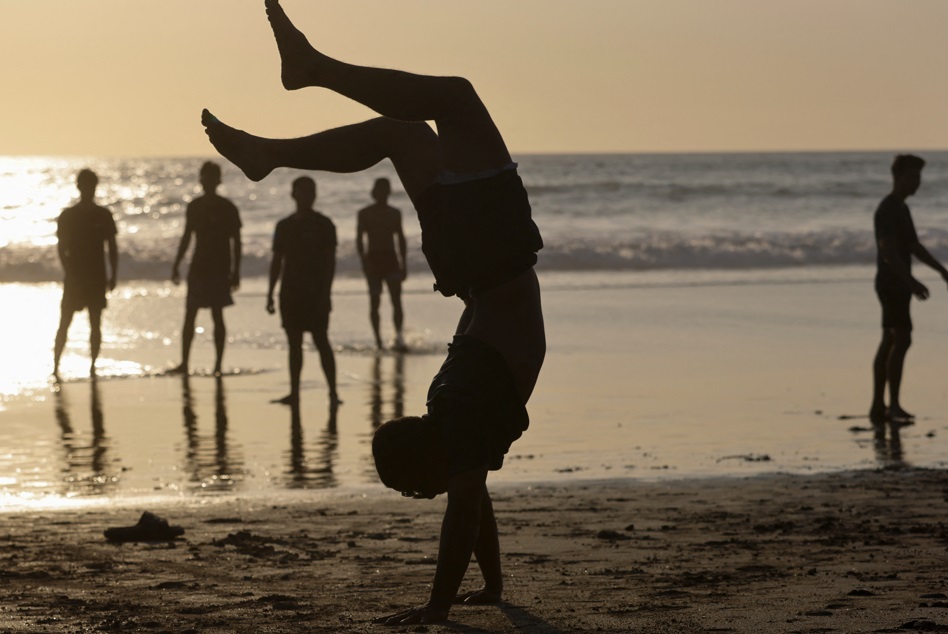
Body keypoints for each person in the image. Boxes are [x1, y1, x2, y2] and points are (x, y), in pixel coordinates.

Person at [201, 0, 544, 624]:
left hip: (486, 264)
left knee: (412, 128)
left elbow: (470, 502)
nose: (438, 494)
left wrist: (471, 596)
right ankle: (298, 97)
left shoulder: (462, 418)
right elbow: (468, 504)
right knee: (435, 113)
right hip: (481, 263)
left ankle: (274, 139)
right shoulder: (462, 419)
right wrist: (445, 605)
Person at [869, 154, 948, 423]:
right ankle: (891, 406)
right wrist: (911, 282)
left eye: (919, 177)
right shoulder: (887, 209)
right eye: (913, 176)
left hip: (897, 283)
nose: (917, 182)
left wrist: (941, 270)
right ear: (898, 177)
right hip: (892, 283)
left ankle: (880, 406)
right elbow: (889, 252)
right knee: (901, 338)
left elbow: (914, 247)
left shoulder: (902, 209)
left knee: (890, 340)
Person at [266, 176, 340, 406]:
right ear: (294, 194)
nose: (308, 196)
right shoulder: (284, 226)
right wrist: (270, 293)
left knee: (321, 341)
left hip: (316, 292)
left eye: (311, 191)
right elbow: (277, 261)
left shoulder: (324, 224)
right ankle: (295, 392)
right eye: (303, 191)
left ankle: (333, 393)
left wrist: (326, 293)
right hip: (290, 292)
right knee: (294, 344)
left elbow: (330, 263)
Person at [170, 161, 242, 376]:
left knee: (217, 316)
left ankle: (218, 365)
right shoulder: (195, 206)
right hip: (199, 267)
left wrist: (236, 270)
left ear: (218, 180)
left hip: (220, 268)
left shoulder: (227, 208)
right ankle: (184, 363)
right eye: (205, 177)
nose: (208, 181)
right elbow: (186, 237)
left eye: (212, 177)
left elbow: (236, 241)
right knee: (190, 314)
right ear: (200, 180)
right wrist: (176, 264)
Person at [53, 169, 118, 379]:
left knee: (95, 323)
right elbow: (61, 248)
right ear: (79, 186)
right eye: (85, 185)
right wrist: (69, 273)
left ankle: (93, 367)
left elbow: (113, 247)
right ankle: (55, 367)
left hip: (96, 276)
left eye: (91, 185)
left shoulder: (104, 215)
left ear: (94, 187)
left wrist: (113, 274)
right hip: (75, 277)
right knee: (65, 322)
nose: (88, 189)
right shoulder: (68, 216)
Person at [356, 177, 407, 350]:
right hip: (373, 259)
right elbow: (359, 239)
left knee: (396, 300)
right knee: (375, 301)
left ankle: (398, 338)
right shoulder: (365, 213)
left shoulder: (394, 213)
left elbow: (400, 238)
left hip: (390, 259)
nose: (383, 194)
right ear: (374, 192)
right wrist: (363, 261)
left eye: (386, 190)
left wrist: (403, 263)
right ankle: (378, 340)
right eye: (380, 190)